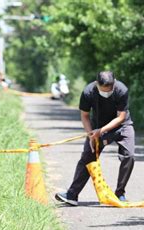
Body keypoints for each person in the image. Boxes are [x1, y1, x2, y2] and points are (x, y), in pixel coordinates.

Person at [56, 71, 135, 205]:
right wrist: (91, 135)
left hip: (122, 126)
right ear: (96, 84)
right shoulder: (88, 92)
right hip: (97, 126)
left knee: (129, 156)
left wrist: (102, 131)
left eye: (109, 90)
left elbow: (120, 117)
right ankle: (72, 195)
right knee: (88, 156)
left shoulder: (121, 90)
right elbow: (84, 116)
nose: (106, 93)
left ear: (114, 83)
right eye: (103, 90)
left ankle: (119, 193)